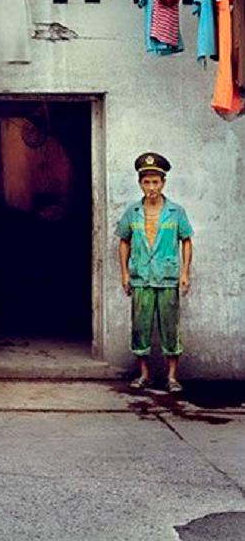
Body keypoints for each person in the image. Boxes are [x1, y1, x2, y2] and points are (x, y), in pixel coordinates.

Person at [115, 152, 193, 393]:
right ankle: (144, 374)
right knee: (140, 327)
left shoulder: (175, 212)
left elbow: (186, 240)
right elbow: (124, 241)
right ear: (140, 183)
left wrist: (185, 273)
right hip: (141, 277)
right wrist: (125, 274)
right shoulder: (133, 212)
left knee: (170, 328)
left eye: (155, 182)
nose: (151, 187)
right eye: (146, 182)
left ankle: (172, 377)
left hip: (167, 277)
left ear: (163, 183)